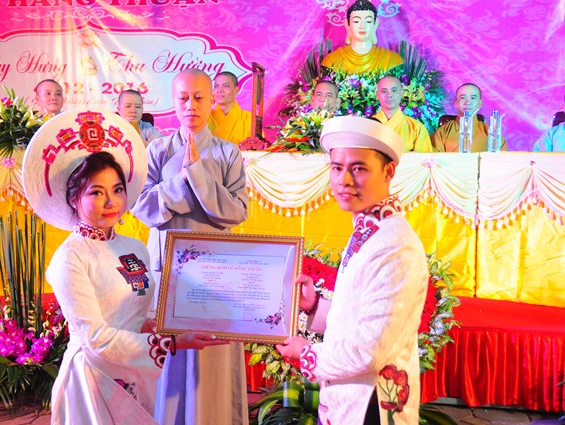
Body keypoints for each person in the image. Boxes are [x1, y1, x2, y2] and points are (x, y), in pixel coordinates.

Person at [21, 110, 226, 425]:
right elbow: (97, 338)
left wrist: (169, 326)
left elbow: (140, 316)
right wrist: (173, 342)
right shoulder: (70, 258)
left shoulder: (135, 247)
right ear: (74, 199)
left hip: (138, 372)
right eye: (96, 192)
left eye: (117, 190)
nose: (111, 202)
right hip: (94, 379)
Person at [276, 116, 428, 424]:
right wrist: (315, 306)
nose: (344, 180)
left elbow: (370, 351)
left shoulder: (395, 244)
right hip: (352, 396)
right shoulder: (370, 227)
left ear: (389, 172)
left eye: (358, 168)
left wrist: (307, 354)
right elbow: (361, 317)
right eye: (336, 168)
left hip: (372, 404)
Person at [131, 69, 249, 425]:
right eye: (183, 98)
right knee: (170, 356)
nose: (191, 106)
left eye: (199, 98)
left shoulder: (228, 153)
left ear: (212, 100)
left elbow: (236, 211)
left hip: (215, 275)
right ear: (173, 102)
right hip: (169, 271)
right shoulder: (156, 150)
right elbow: (142, 207)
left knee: (213, 360)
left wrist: (195, 174)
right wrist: (182, 183)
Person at [321, 0, 403, 75]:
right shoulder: (331, 61)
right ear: (348, 24)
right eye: (356, 21)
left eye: (368, 21)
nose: (362, 26)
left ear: (375, 24)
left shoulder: (391, 59)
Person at [431, 83, 507, 152]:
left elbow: (500, 159)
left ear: (480, 104)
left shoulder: (491, 133)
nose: (467, 102)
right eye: (462, 97)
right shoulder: (442, 132)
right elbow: (434, 159)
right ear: (455, 103)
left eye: (473, 98)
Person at [372, 76, 433, 152]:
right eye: (384, 91)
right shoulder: (367, 125)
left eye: (394, 91)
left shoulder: (417, 128)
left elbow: (424, 158)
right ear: (377, 95)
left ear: (401, 93)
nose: (389, 95)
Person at [208, 71, 252, 145]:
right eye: (216, 86)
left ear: (236, 91)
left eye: (226, 86)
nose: (219, 90)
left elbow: (257, 148)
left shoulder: (249, 119)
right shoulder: (205, 117)